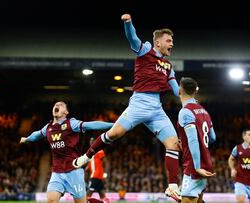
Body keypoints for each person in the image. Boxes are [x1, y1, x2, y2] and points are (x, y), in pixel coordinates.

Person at [73, 13, 181, 200]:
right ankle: (87, 156)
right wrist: (128, 23)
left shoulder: (169, 66)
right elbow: (132, 37)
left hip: (156, 109)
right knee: (114, 134)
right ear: (158, 43)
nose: (172, 44)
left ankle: (172, 186)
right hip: (139, 103)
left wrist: (190, 99)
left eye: (172, 41)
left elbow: (177, 91)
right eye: (169, 40)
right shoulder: (145, 50)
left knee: (173, 144)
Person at [19, 101, 113, 203]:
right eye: (55, 105)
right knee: (50, 201)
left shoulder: (71, 124)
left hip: (74, 171)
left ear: (66, 112)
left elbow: (91, 125)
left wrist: (113, 125)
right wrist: (27, 138)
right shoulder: (48, 127)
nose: (57, 106)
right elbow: (37, 134)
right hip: (57, 172)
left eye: (61, 105)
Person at [177, 77, 216, 203]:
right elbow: (213, 138)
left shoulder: (185, 112)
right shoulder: (204, 111)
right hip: (206, 162)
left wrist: (197, 166)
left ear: (179, 90)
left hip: (194, 165)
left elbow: (192, 140)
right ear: (195, 92)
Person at [85, 139, 109, 203]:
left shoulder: (99, 151)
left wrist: (106, 173)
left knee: (87, 195)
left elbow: (106, 161)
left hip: (95, 176)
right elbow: (89, 167)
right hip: (96, 177)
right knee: (102, 195)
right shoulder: (90, 154)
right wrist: (87, 168)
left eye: (93, 141)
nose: (91, 142)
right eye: (90, 141)